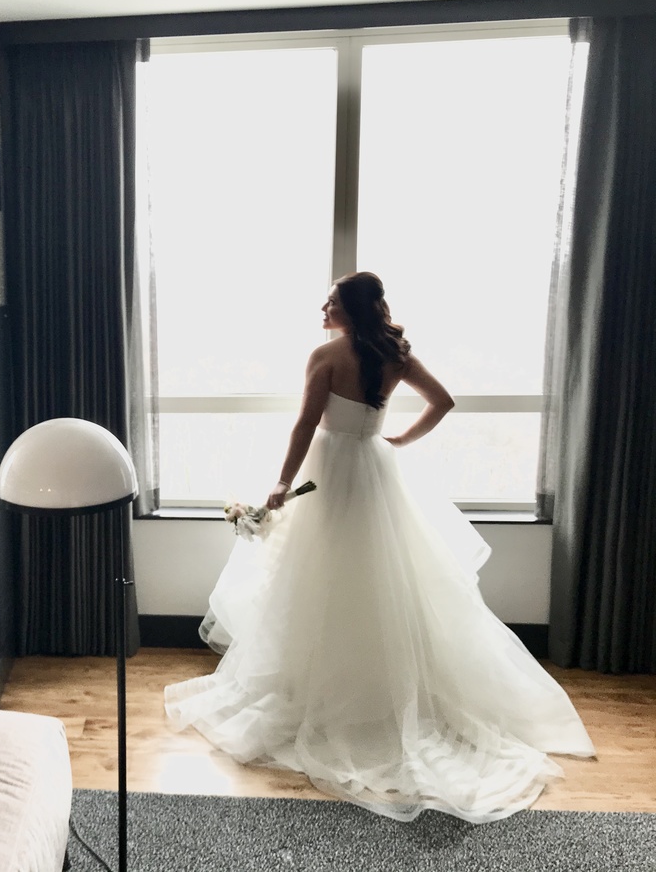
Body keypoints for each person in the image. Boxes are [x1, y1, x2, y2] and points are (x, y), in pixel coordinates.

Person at [164, 271, 595, 823]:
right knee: (377, 582)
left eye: (332, 301)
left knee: (320, 581)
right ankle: (377, 691)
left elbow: (306, 424)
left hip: (329, 472)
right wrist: (397, 441)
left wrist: (281, 483)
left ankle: (324, 691)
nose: (323, 308)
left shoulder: (325, 356)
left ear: (352, 308)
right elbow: (442, 402)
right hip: (374, 469)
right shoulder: (395, 354)